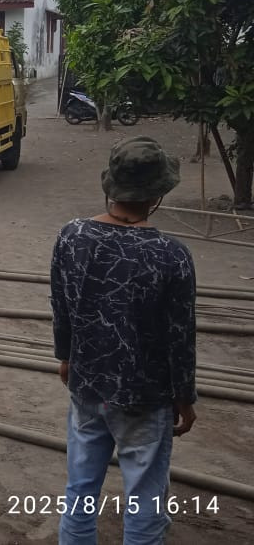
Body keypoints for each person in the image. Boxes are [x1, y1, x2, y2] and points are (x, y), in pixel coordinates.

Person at [51, 136, 196, 544]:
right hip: (145, 396)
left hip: (87, 384)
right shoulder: (172, 255)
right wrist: (185, 396)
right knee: (144, 496)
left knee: (80, 487)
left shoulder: (72, 236)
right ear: (157, 195)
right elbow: (180, 335)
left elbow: (61, 305)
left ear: (110, 186)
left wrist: (66, 357)